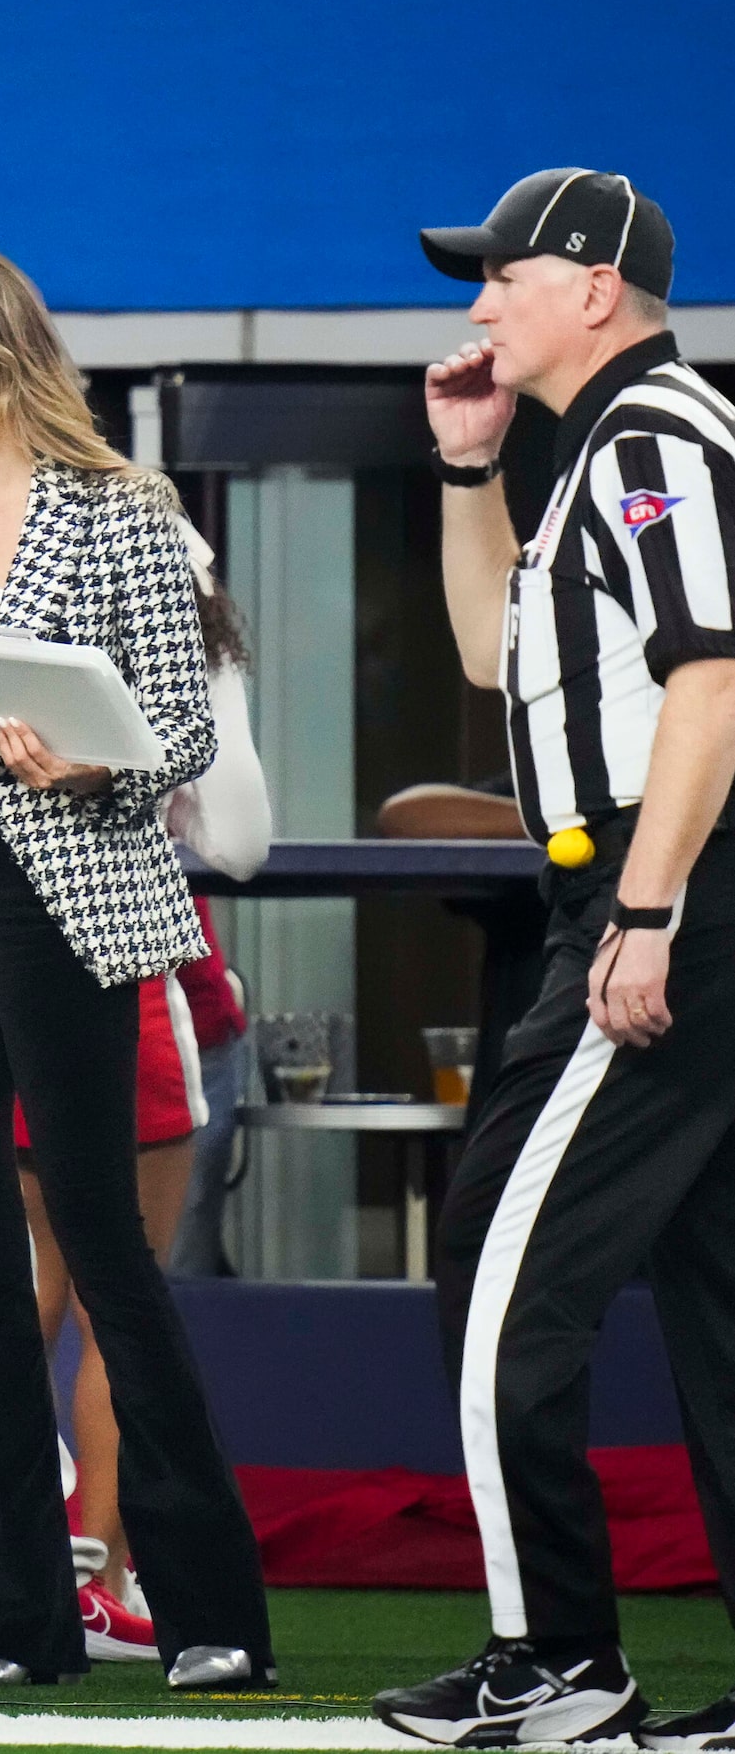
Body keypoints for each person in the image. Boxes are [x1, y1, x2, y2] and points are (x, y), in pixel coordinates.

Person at [0, 241, 272, 1690]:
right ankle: (18, 1614)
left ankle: (205, 1606)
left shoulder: (122, 510)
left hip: (61, 886)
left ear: (5, 363)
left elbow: (183, 734)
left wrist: (86, 760)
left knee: (99, 1230)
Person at [376, 170, 735, 1751]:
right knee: (718, 1298)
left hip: (668, 895)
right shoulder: (598, 446)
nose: (476, 305)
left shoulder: (655, 437)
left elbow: (717, 686)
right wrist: (469, 472)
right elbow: (484, 656)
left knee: (500, 1270)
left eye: (500, 276)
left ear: (591, 286)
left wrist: (646, 911)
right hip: (658, 892)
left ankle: (557, 1659)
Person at [21, 542, 269, 1663]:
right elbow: (242, 837)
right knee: (121, 1296)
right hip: (127, 977)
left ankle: (22, 1565)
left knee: (22, 1289)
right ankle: (91, 1572)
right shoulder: (158, 584)